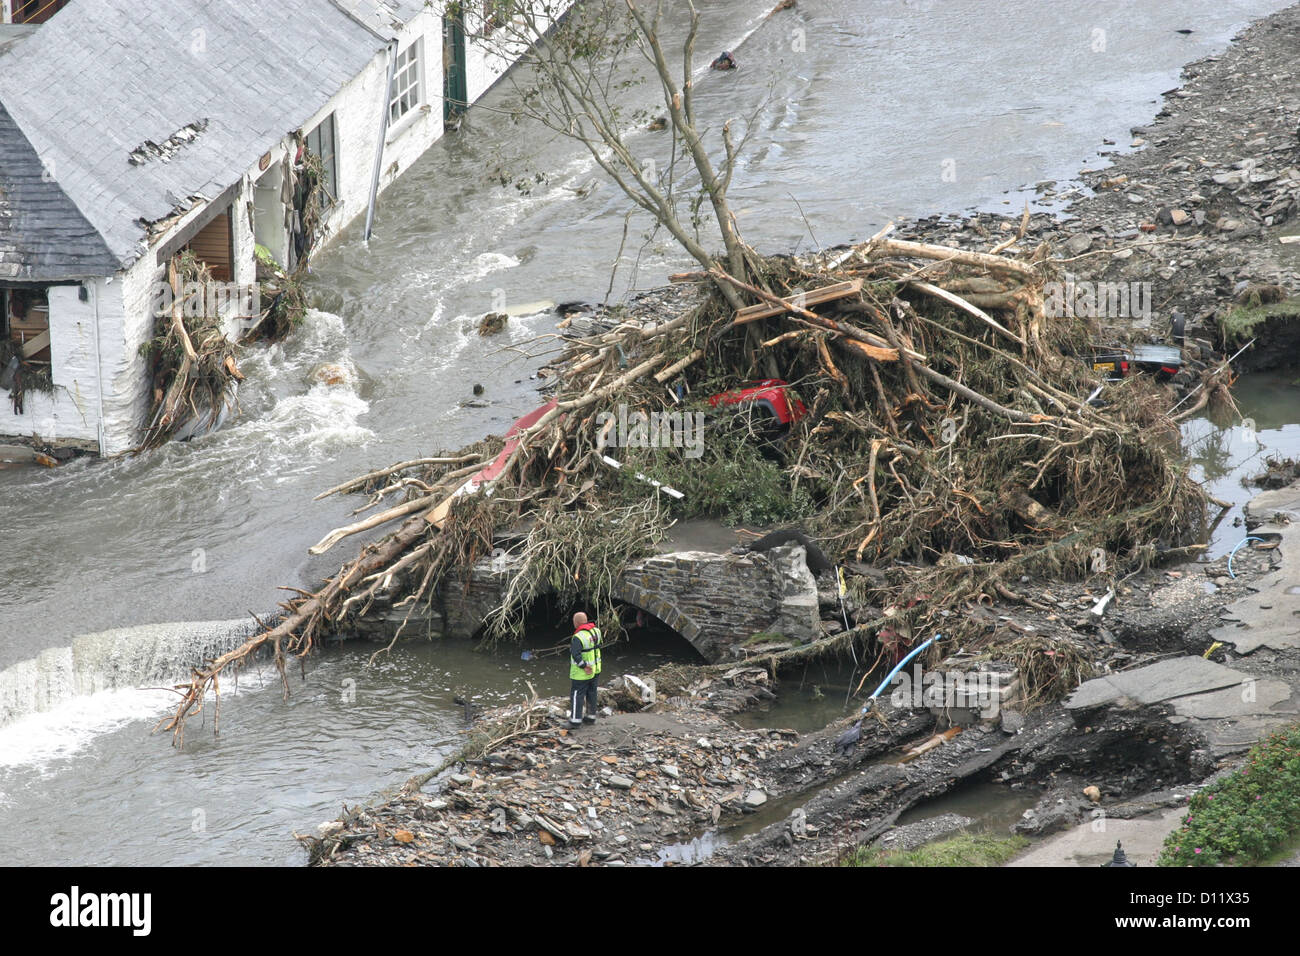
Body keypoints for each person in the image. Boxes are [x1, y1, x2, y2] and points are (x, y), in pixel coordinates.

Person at [568, 611, 603, 728]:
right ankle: (590, 717)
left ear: (576, 622)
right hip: (596, 670)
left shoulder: (578, 637)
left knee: (577, 695)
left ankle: (575, 721)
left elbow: (576, 655)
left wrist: (584, 666)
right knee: (592, 693)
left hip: (582, 673)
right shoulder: (596, 631)